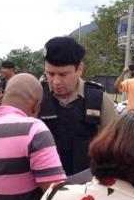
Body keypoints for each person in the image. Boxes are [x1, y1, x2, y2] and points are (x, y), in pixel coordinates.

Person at [39, 36, 118, 176]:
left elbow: (116, 147)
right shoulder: (37, 97)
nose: (56, 81)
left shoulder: (99, 100)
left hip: (88, 187)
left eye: (63, 74)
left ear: (79, 69)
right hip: (44, 187)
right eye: (50, 74)